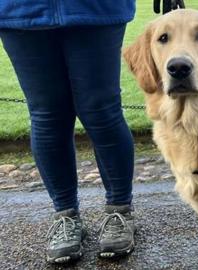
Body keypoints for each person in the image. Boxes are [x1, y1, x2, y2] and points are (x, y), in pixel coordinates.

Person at [0, 1, 137, 263]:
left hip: (96, 7)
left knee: (101, 111)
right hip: (20, 9)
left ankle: (120, 211)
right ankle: (65, 215)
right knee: (47, 115)